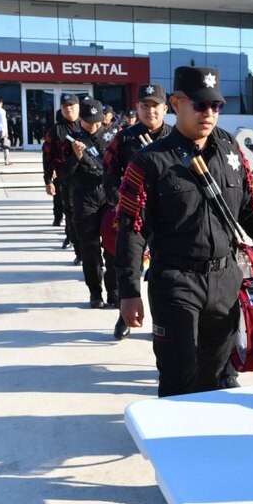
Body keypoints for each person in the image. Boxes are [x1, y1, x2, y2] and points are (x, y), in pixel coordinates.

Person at [115, 66, 253, 397]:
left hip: (225, 280)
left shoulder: (230, 152)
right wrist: (128, 290)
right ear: (176, 103)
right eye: (200, 105)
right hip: (175, 282)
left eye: (216, 106)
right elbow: (131, 227)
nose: (209, 113)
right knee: (177, 376)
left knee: (215, 374)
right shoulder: (148, 161)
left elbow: (249, 206)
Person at [103, 84, 172, 340]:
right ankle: (124, 316)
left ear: (165, 109)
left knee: (164, 272)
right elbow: (109, 173)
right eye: (144, 106)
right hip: (134, 215)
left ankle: (162, 321)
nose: (149, 111)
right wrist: (118, 201)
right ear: (137, 108)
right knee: (128, 267)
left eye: (155, 106)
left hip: (168, 218)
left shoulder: (176, 137)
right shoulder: (123, 138)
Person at [63, 98, 115, 308]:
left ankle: (114, 291)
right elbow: (64, 174)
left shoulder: (113, 138)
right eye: (88, 122)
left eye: (96, 121)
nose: (92, 126)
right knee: (89, 247)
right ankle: (95, 292)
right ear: (80, 120)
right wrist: (75, 156)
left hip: (108, 195)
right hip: (84, 196)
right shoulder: (71, 139)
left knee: (112, 246)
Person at [43, 94, 82, 262]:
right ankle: (75, 244)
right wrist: (48, 180)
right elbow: (47, 156)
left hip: (87, 177)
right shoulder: (55, 130)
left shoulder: (87, 124)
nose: (68, 109)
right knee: (70, 211)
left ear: (78, 107)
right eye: (65, 106)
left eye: (72, 105)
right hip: (65, 178)